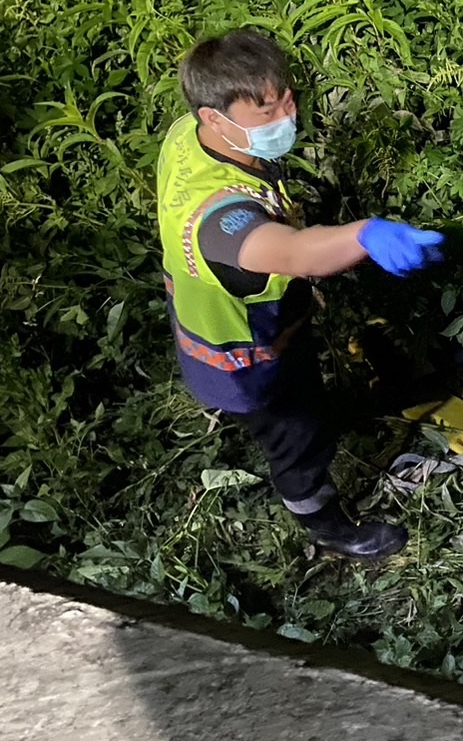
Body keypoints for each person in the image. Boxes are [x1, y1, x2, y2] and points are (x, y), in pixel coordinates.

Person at [157, 30, 444, 560]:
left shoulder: (188, 135)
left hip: (272, 329)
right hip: (245, 363)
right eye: (265, 113)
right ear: (214, 118)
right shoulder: (216, 221)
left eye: (286, 100)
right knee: (298, 437)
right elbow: (293, 254)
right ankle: (328, 526)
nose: (285, 118)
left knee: (310, 394)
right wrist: (364, 234)